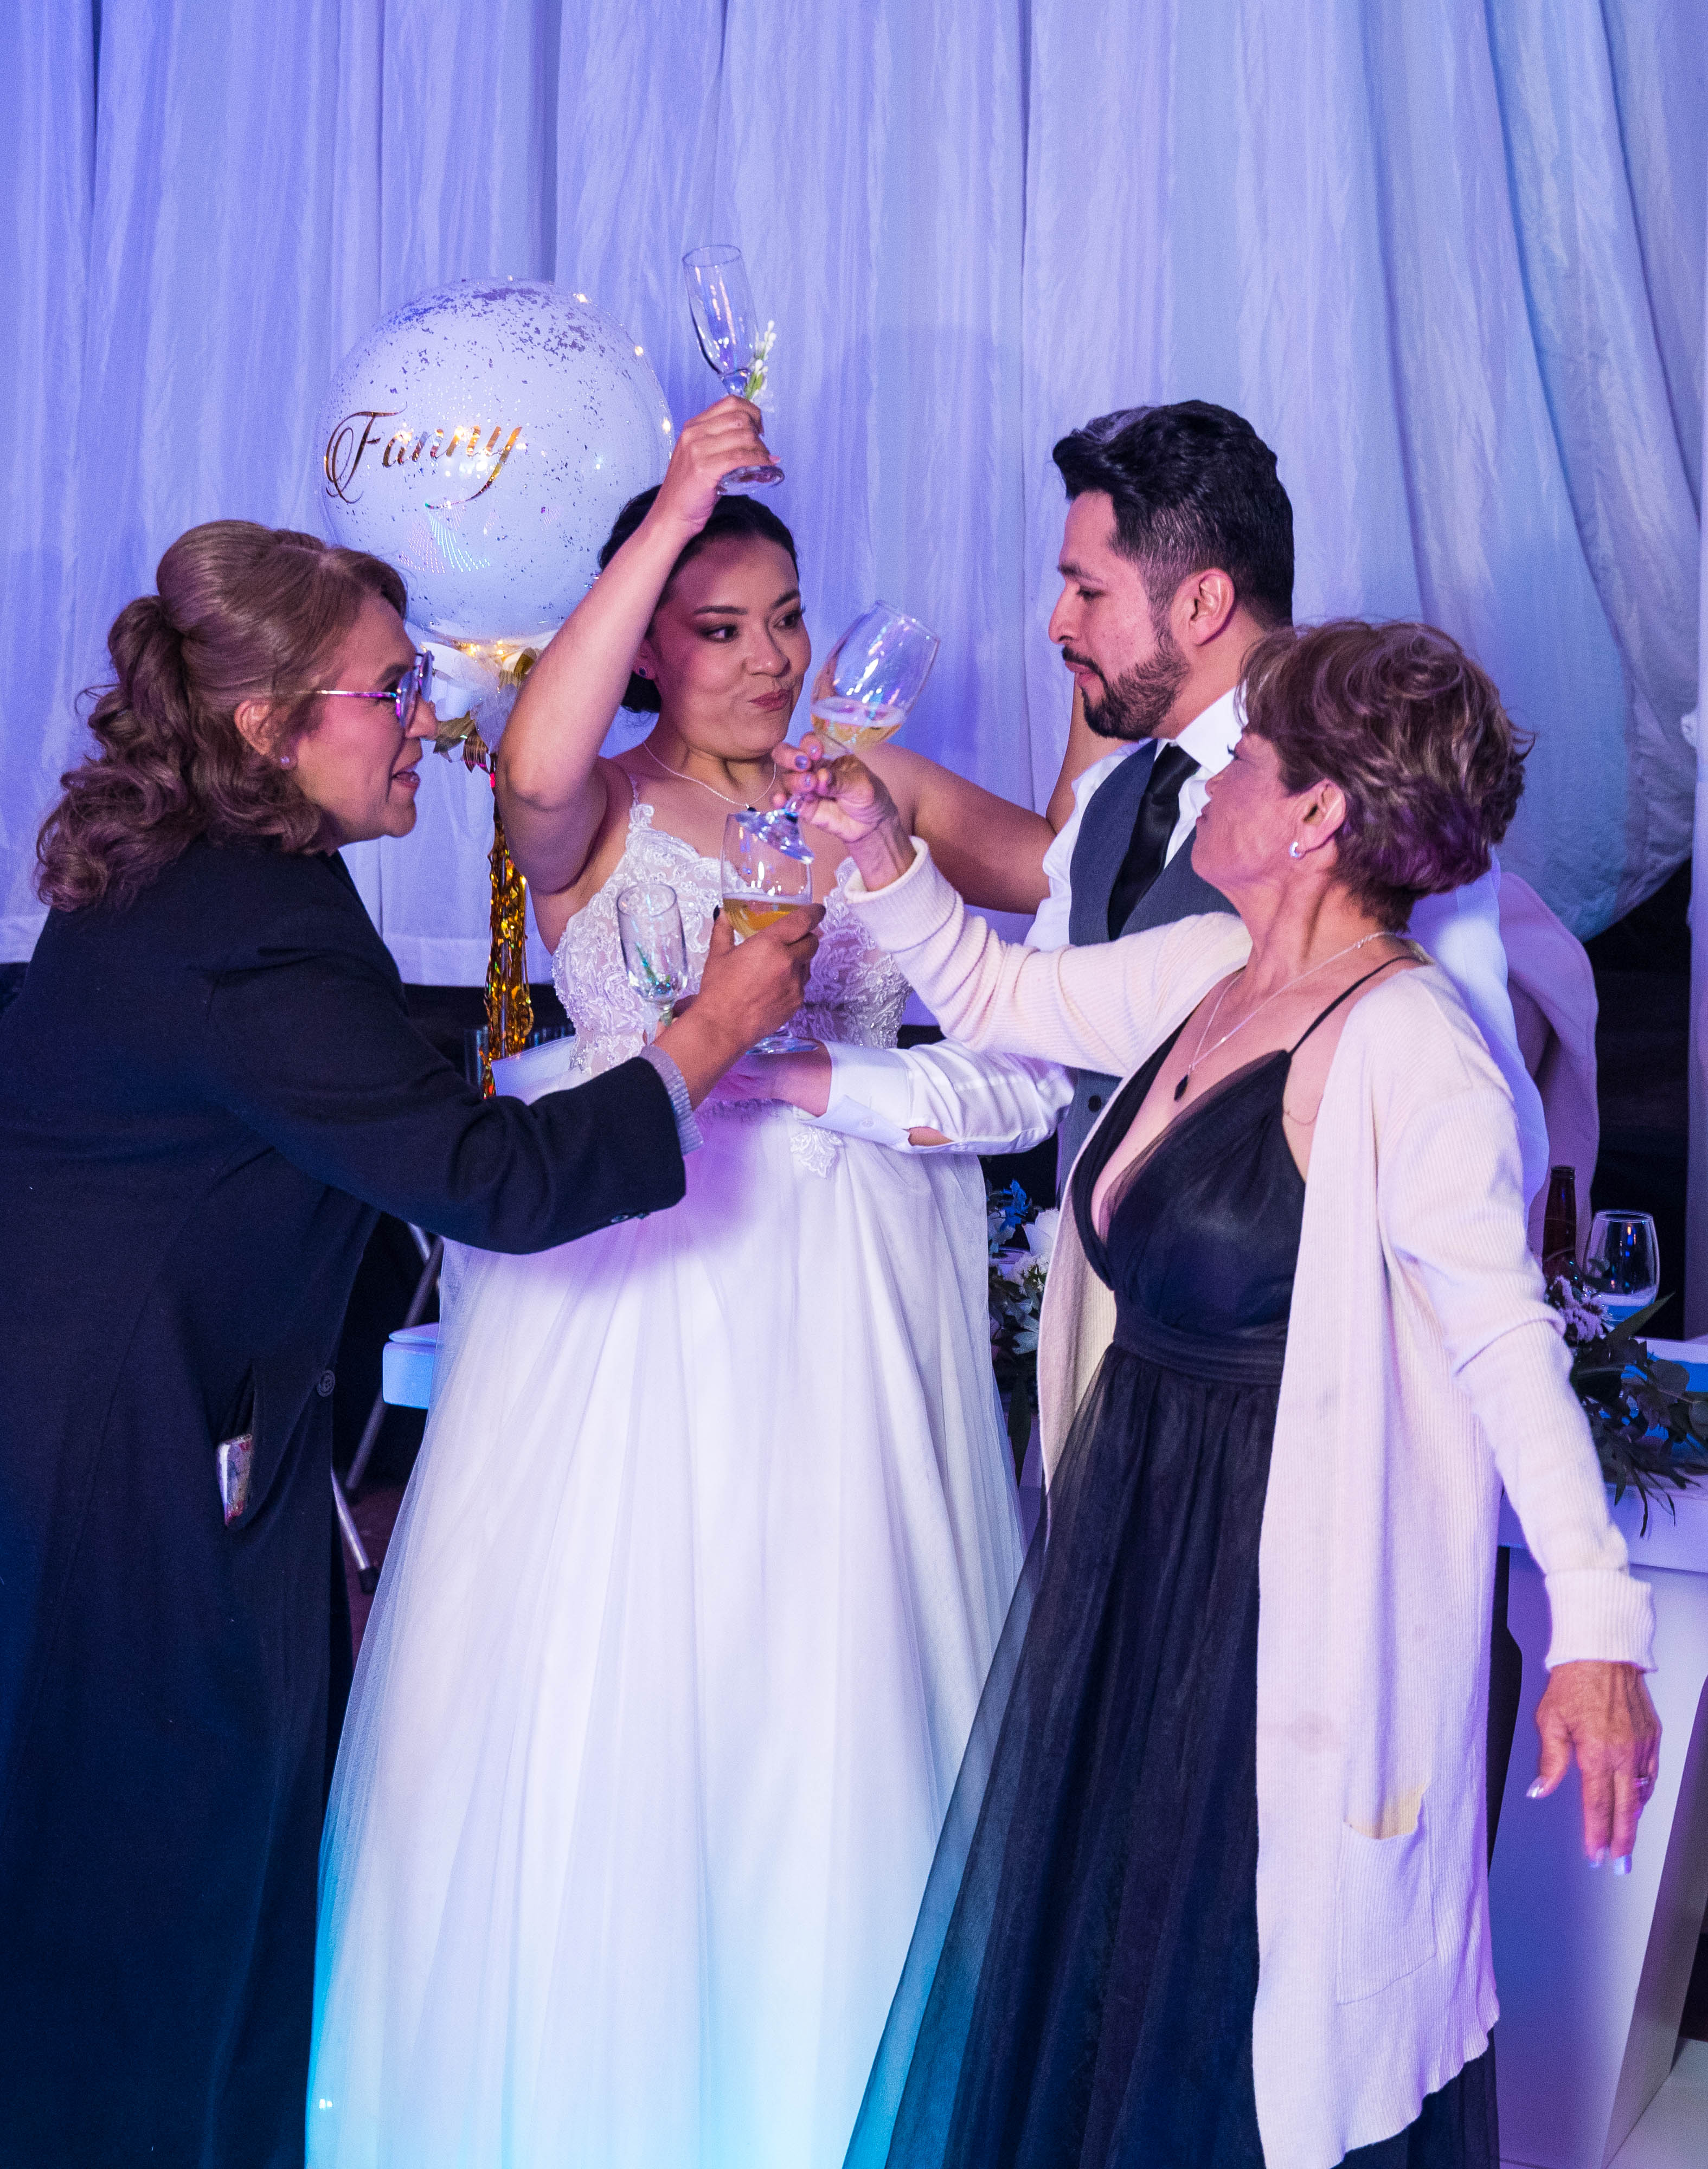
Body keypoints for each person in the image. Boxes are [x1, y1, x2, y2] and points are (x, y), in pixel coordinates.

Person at [789, 617, 1661, 2169]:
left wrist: (1598, 1627)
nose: (1211, 778)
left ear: (1316, 813)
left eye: (1245, 755)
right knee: (1100, 1964)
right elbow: (997, 995)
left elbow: (1503, 1348)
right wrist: (872, 845)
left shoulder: (1413, 1049)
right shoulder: (1214, 965)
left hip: (1276, 1588)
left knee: (1232, 1996)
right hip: (1132, 1542)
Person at [307, 397, 1068, 2169]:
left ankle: (836, 2086)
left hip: (855, 1286)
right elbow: (531, 766)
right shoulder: (589, 810)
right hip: (638, 1296)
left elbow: (1073, 880)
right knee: (637, 1657)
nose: (769, 659)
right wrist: (674, 506)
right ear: (643, 644)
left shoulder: (872, 786)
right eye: (717, 630)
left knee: (838, 1661)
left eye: (783, 620)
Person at [0, 520, 817, 2169]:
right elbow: (488, 1181)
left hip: (186, 1428)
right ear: (268, 727)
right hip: (122, 1475)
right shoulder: (238, 927)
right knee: (154, 1912)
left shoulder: (236, 878)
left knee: (215, 1890)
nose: (429, 723)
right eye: (390, 691)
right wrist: (714, 1030)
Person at [1024, 401, 1548, 1209]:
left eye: (1087, 591)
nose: (1057, 623)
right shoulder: (1104, 799)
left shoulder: (1375, 795)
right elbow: (1028, 1046)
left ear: (1202, 604)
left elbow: (1488, 1129)